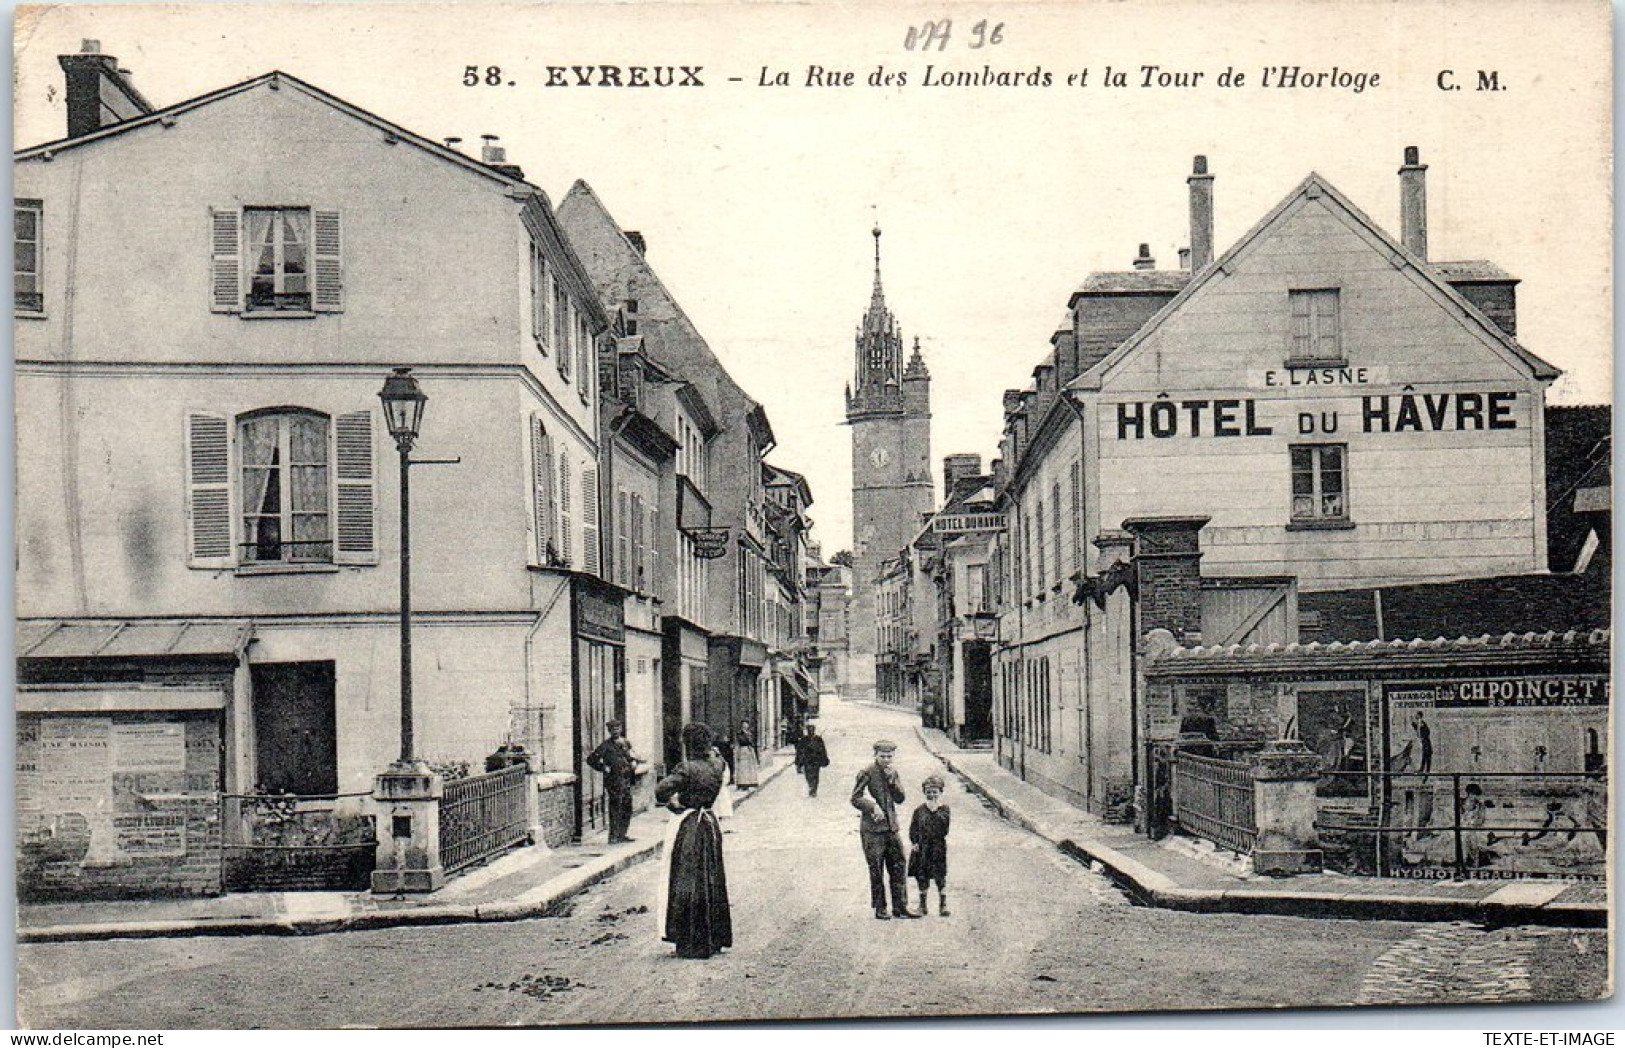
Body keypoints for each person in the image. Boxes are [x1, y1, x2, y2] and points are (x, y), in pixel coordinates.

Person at [653, 723, 732, 959]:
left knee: (688, 881)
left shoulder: (686, 769)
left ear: (689, 744)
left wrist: (674, 804)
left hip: (690, 825)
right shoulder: (718, 765)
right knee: (712, 878)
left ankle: (691, 940)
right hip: (710, 823)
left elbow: (660, 791)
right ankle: (714, 938)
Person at [850, 739, 919, 920]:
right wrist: (872, 806)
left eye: (890, 756)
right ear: (875, 755)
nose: (886, 760)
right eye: (883, 756)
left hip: (891, 828)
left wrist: (892, 782)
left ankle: (900, 907)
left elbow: (900, 798)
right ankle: (880, 908)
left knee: (898, 865)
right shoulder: (866, 773)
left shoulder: (893, 773)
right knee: (876, 868)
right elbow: (855, 798)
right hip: (872, 830)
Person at [585, 720, 639, 844]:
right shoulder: (605, 746)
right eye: (613, 729)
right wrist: (603, 767)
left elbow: (631, 755)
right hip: (614, 781)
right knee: (616, 807)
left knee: (627, 807)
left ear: (621, 729)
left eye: (618, 728)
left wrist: (633, 762)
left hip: (626, 780)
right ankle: (613, 836)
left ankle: (622, 834)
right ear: (609, 731)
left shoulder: (626, 743)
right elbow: (591, 759)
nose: (616, 731)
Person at [908, 774, 951, 916]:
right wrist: (914, 842)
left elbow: (944, 829)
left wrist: (935, 811)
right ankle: (922, 905)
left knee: (940, 875)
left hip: (937, 847)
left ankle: (943, 904)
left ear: (940, 792)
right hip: (923, 847)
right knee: (922, 875)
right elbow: (913, 828)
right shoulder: (919, 810)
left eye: (935, 792)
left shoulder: (944, 809)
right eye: (928, 792)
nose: (931, 795)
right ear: (924, 792)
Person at [797, 722, 830, 797]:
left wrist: (824, 759)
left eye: (812, 730)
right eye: (809, 730)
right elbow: (799, 751)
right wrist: (798, 762)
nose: (811, 731)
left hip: (816, 761)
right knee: (808, 775)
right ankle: (811, 786)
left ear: (814, 730)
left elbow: (823, 750)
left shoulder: (818, 739)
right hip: (807, 761)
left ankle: (814, 789)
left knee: (815, 775)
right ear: (807, 731)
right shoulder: (804, 739)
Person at [708, 744, 736, 827]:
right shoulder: (708, 763)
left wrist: (723, 782)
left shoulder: (722, 763)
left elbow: (726, 774)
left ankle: (726, 825)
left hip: (721, 787)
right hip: (713, 786)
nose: (711, 755)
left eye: (713, 753)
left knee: (724, 805)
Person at [733, 720, 761, 789]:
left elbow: (751, 742)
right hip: (743, 750)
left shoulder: (749, 733)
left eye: (746, 724)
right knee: (743, 768)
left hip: (749, 751)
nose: (745, 725)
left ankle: (750, 782)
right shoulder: (739, 734)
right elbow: (741, 741)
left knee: (750, 768)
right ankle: (743, 784)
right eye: (744, 724)